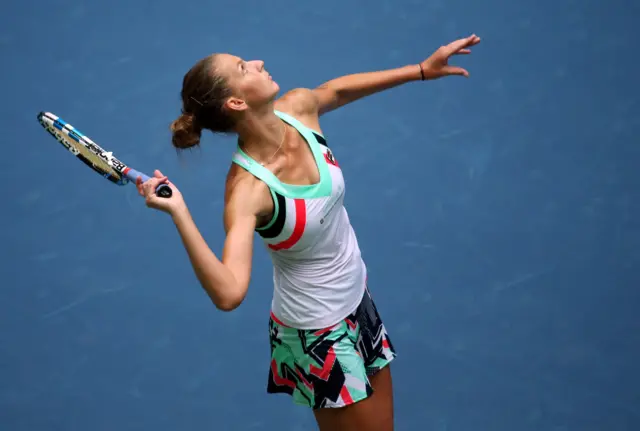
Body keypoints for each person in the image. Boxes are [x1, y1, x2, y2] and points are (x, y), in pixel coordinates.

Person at [136, 34, 481, 431]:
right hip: (316, 333)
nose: (259, 61)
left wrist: (422, 70)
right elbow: (229, 293)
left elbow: (336, 90)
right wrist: (180, 212)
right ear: (236, 102)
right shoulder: (248, 190)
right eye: (243, 67)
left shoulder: (298, 108)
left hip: (356, 301)